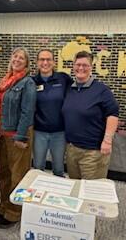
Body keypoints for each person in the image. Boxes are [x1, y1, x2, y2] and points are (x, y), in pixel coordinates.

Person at [0, 47, 36, 228]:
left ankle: (15, 211)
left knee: (18, 175)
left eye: (22, 58)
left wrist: (21, 136)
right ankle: (3, 205)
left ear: (26, 63)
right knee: (3, 173)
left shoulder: (28, 83)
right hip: (2, 135)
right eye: (15, 56)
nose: (17, 60)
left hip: (17, 135)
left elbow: (28, 112)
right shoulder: (5, 80)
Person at [62, 51, 119, 179]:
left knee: (91, 191)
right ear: (73, 66)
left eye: (85, 65)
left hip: (93, 152)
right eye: (78, 64)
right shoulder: (70, 89)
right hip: (72, 149)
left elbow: (113, 115)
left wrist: (107, 141)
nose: (81, 68)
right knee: (75, 186)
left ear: (91, 67)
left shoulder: (102, 90)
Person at [32, 49, 71, 177]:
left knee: (59, 169)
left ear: (54, 62)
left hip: (59, 133)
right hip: (39, 132)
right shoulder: (31, 82)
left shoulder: (63, 78)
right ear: (37, 62)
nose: (45, 62)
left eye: (48, 59)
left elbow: (76, 96)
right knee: (38, 167)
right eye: (42, 59)